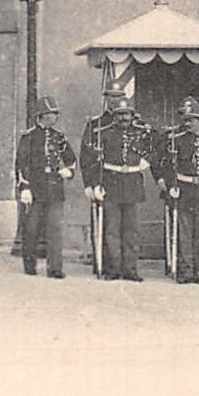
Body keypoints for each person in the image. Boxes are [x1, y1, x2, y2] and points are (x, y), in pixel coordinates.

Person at [79, 95, 153, 281]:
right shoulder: (103, 132)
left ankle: (131, 269)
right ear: (115, 116)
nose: (124, 118)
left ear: (132, 115)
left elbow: (158, 147)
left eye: (127, 114)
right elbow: (94, 160)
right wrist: (95, 184)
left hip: (134, 185)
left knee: (132, 231)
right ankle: (114, 269)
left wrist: (148, 160)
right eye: (120, 114)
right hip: (111, 185)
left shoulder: (142, 132)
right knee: (112, 230)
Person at [153, 98, 199, 286]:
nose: (187, 123)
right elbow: (160, 161)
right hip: (182, 190)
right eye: (185, 119)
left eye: (192, 119)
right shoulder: (174, 140)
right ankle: (184, 271)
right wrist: (167, 183)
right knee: (183, 233)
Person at [14, 96, 75, 278]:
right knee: (31, 228)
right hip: (35, 188)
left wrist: (68, 171)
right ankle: (30, 265)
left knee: (55, 229)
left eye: (56, 113)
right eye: (52, 113)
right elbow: (21, 163)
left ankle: (55, 268)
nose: (55, 116)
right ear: (42, 115)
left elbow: (71, 159)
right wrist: (24, 187)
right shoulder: (29, 137)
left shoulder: (59, 137)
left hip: (55, 188)